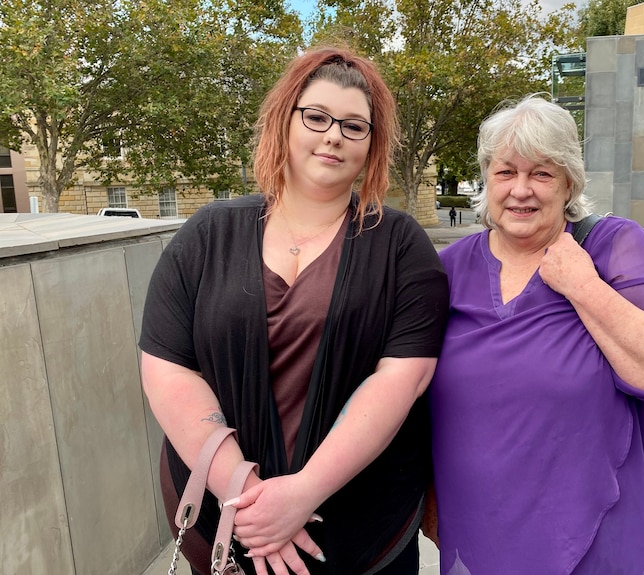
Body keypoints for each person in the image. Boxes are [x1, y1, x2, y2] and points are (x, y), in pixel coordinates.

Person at [139, 46, 449, 575]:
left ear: (371, 145)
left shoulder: (400, 245)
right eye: (317, 116)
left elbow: (403, 378)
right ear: (286, 121)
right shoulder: (207, 235)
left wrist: (303, 494)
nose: (334, 135)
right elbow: (168, 367)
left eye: (355, 126)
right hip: (229, 530)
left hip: (365, 533)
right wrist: (247, 495)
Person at [423, 95, 644, 574]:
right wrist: (429, 501)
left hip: (594, 527)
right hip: (477, 524)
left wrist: (584, 286)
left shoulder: (612, 246)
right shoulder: (449, 268)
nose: (521, 190)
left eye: (542, 173)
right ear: (486, 179)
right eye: (505, 172)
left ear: (569, 184)